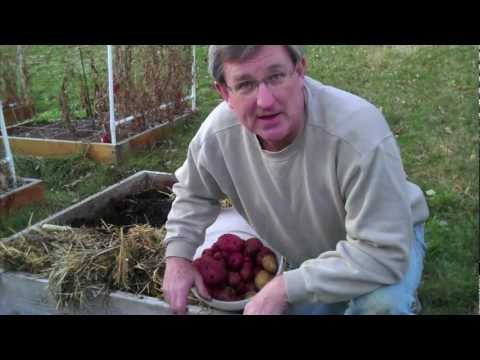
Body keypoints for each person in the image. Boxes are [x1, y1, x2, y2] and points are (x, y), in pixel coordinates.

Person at [161, 45, 429, 315]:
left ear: (300, 71)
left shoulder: (357, 133)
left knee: (381, 306)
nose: (265, 101)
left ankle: (402, 294)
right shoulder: (217, 136)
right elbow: (193, 193)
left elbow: (382, 252)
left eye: (276, 76)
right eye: (245, 84)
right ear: (224, 93)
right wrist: (178, 257)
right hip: (308, 249)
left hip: (381, 240)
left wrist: (284, 288)